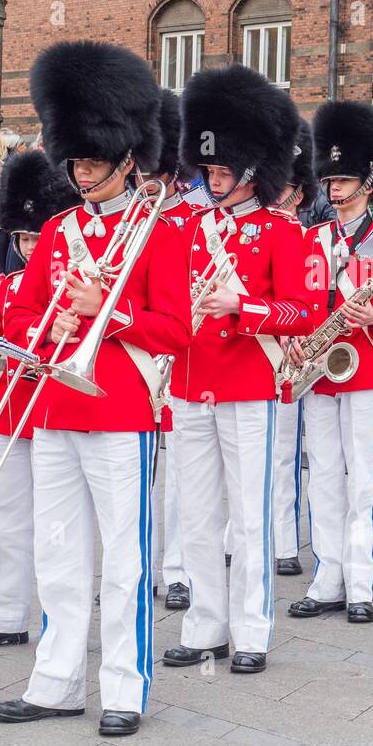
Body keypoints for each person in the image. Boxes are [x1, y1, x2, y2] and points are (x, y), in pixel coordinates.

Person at [0, 40, 189, 738]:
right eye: (73, 160)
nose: (81, 172)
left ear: (127, 156)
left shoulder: (160, 235)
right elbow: (20, 310)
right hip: (54, 404)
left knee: (125, 559)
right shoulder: (56, 232)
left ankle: (126, 689)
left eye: (93, 160)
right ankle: (56, 681)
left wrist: (110, 315)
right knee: (59, 551)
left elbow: (176, 332)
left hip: (122, 410)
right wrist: (40, 330)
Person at [160, 65, 314, 677]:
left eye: (223, 171)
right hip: (190, 385)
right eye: (209, 170)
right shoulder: (186, 226)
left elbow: (305, 313)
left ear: (252, 170)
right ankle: (205, 626)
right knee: (196, 515)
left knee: (249, 518)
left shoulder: (283, 232)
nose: (212, 180)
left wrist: (243, 307)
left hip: (247, 386)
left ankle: (252, 630)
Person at [286, 101, 373, 625]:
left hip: (365, 369)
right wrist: (296, 341)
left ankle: (360, 584)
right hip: (320, 373)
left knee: (360, 480)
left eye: (345, 179)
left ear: (370, 180)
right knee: (322, 476)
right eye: (331, 178)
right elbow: (299, 307)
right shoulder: (312, 239)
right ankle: (326, 577)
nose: (335, 188)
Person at [0, 149, 78, 651]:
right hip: (10, 415)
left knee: (56, 529)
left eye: (36, 236)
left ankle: (59, 620)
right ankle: (5, 616)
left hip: (56, 413)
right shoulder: (8, 287)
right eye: (24, 238)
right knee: (6, 522)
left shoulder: (76, 285)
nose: (30, 248)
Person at [147, 87, 202, 612]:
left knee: (183, 472)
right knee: (137, 473)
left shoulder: (196, 219)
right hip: (135, 352)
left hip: (179, 351)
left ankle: (179, 568)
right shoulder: (133, 217)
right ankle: (138, 568)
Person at [265, 121, 319, 578]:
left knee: (317, 460)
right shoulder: (259, 232)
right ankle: (283, 542)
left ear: (298, 194)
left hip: (315, 357)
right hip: (272, 358)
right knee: (278, 454)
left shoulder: (314, 239)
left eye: (279, 187)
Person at [0, 128, 22, 278]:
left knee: (10, 241)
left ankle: (8, 273)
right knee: (0, 240)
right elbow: (5, 185)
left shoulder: (11, 164)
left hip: (11, 210)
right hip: (0, 210)